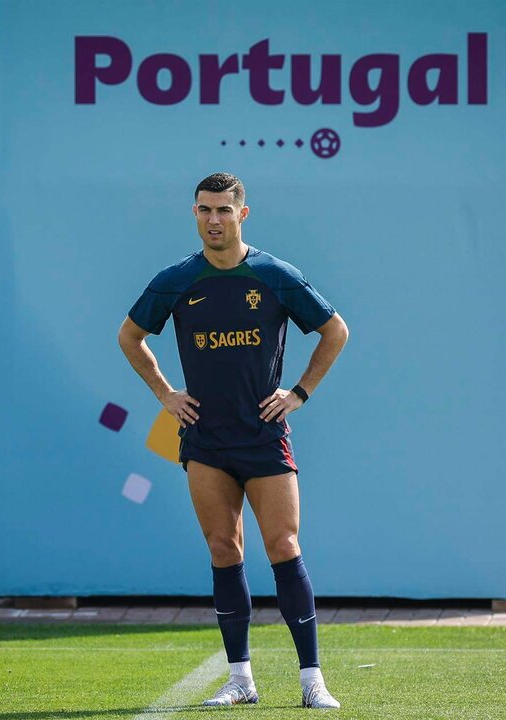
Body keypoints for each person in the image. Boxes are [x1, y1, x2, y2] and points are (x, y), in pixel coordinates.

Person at [118, 172, 349, 709]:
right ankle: (240, 679)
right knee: (224, 550)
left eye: (224, 210)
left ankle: (312, 679)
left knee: (284, 547)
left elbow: (335, 329)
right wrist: (165, 394)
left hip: (264, 438)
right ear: (194, 214)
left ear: (243, 214)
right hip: (205, 440)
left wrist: (300, 392)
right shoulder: (176, 280)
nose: (214, 220)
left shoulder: (273, 275)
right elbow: (130, 336)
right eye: (205, 210)